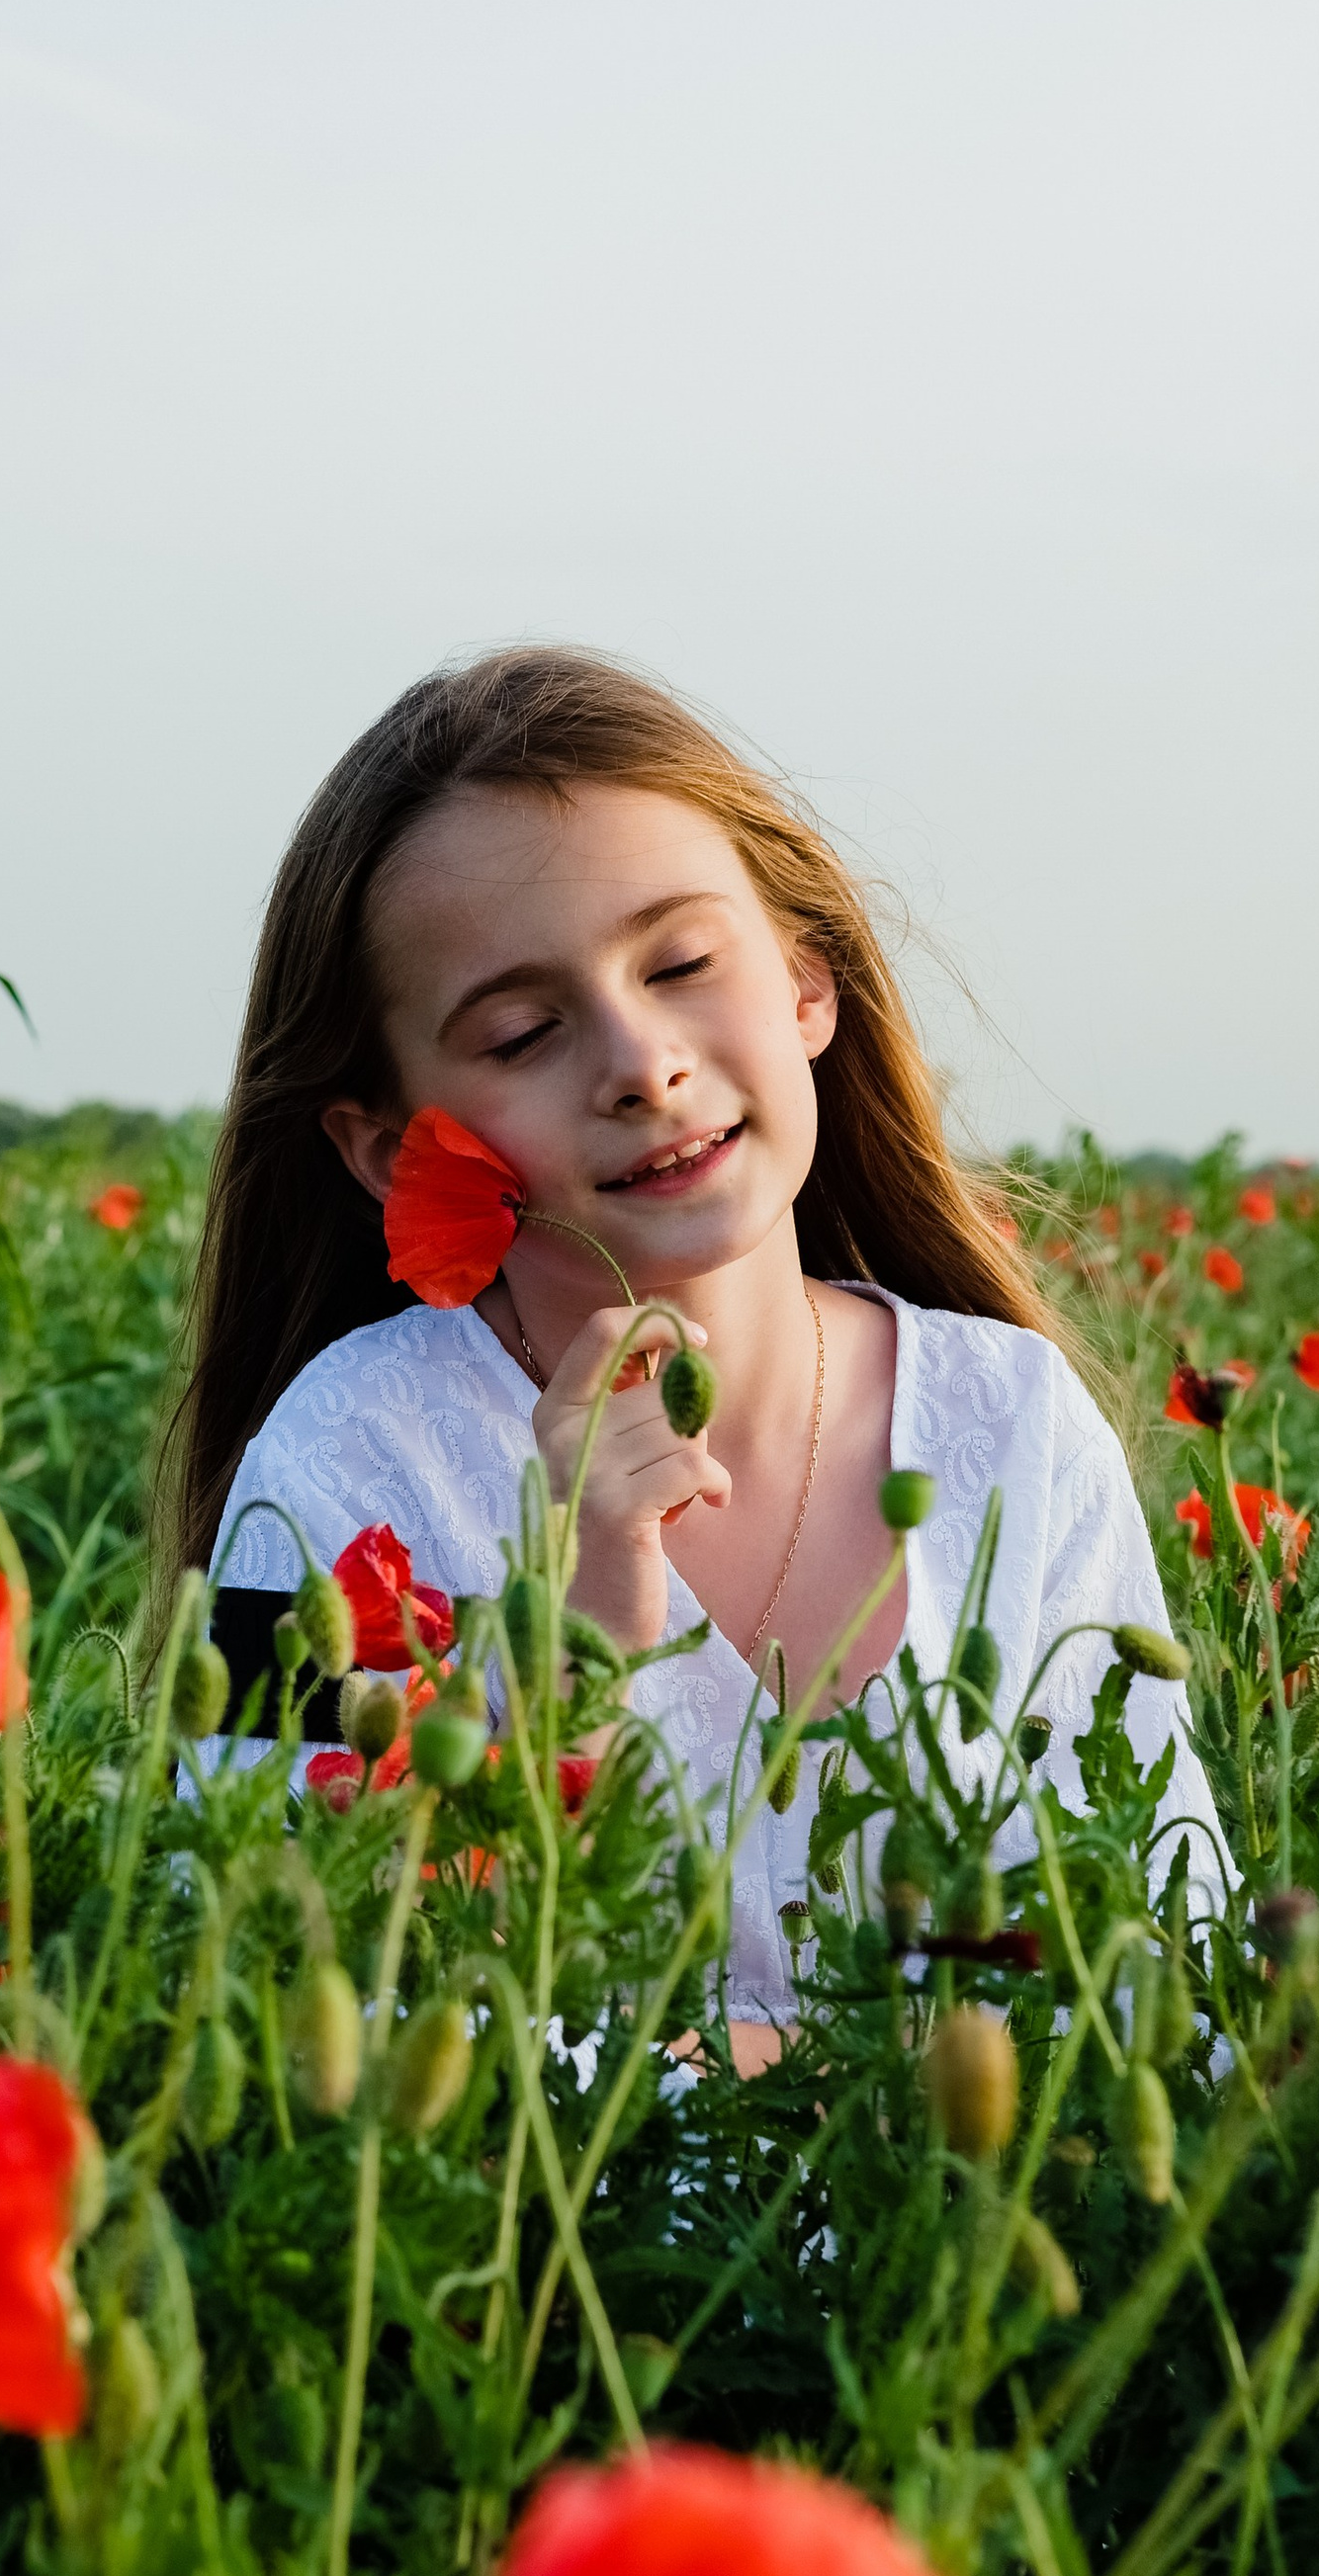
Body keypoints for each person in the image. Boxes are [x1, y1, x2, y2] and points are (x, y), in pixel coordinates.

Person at [172, 644, 1225, 2053]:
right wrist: (583, 1631)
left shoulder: (1014, 1426)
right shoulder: (326, 1464)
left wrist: (758, 2067)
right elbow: (288, 1995)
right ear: (388, 1149)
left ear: (805, 985)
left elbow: (1170, 1951)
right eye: (524, 1031)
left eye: (680, 963)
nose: (640, 1061)